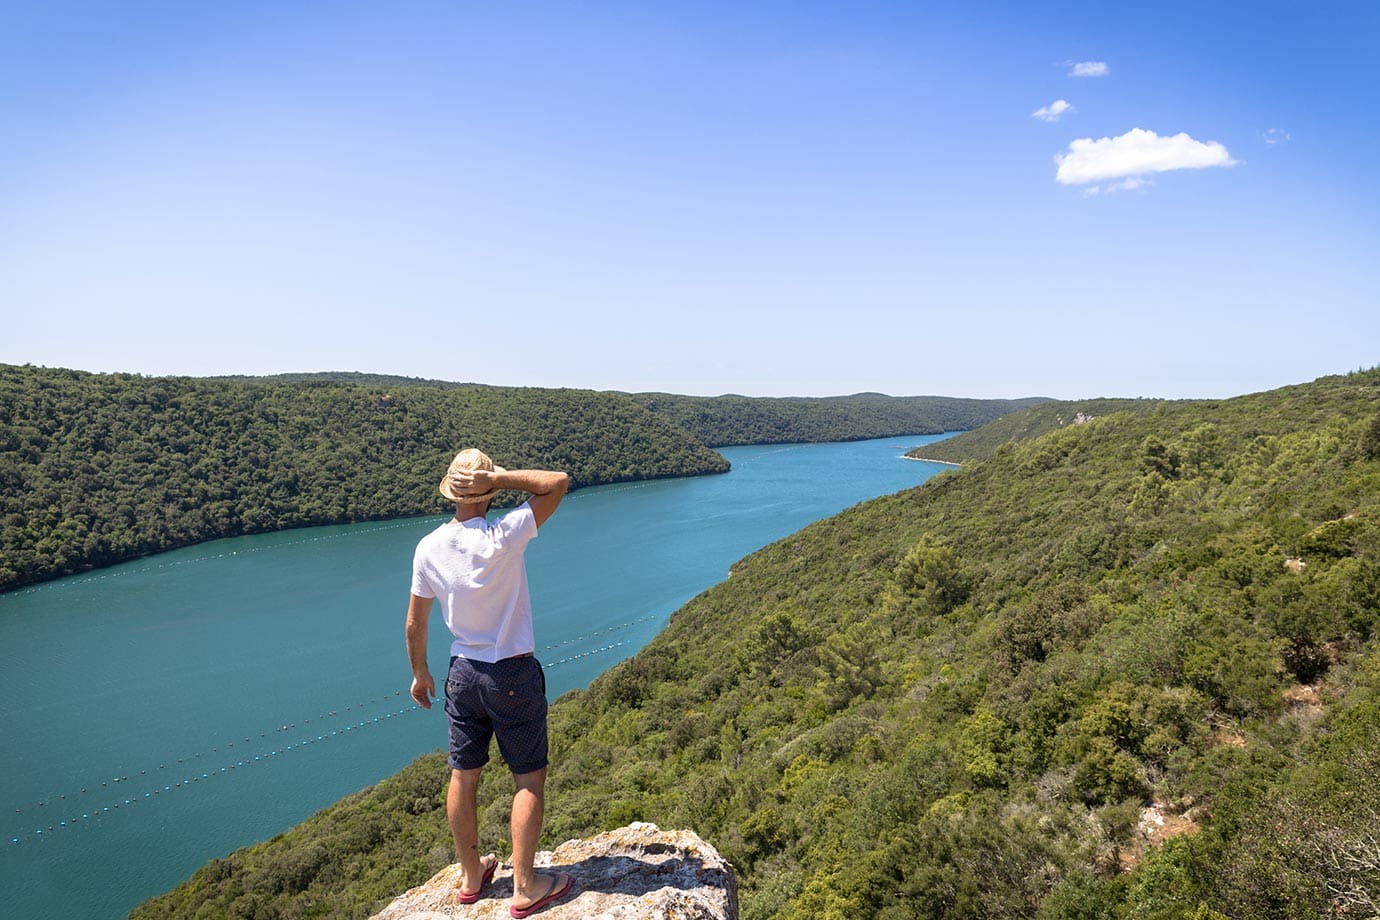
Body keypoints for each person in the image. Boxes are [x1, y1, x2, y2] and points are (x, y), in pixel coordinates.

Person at [406, 448, 575, 917]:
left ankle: (470, 875)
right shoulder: (504, 534)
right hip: (511, 672)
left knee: (464, 773)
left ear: (450, 490)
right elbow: (557, 481)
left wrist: (421, 673)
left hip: (462, 673)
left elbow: (415, 622)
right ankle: (525, 886)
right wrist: (503, 478)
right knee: (528, 779)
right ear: (488, 491)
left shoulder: (428, 547)